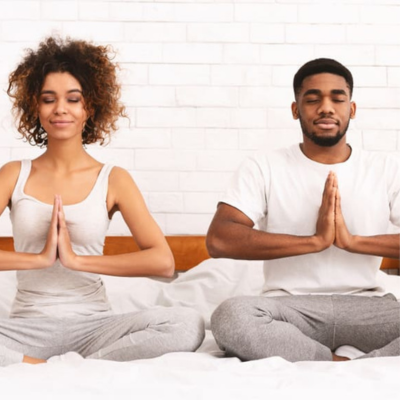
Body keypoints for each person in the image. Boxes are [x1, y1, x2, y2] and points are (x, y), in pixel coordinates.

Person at [0, 37, 204, 367]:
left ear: (89, 107)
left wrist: (76, 261)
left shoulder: (113, 179)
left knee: (186, 324)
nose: (60, 109)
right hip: (25, 328)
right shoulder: (13, 174)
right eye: (48, 99)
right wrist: (38, 259)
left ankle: (61, 365)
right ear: (35, 107)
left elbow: (163, 262)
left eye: (73, 99)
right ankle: (47, 365)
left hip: (94, 328)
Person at [206, 58, 400, 362]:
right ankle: (337, 363)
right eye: (313, 99)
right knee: (230, 316)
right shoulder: (264, 166)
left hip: (369, 307)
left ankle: (354, 364)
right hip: (290, 308)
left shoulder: (386, 168)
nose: (326, 107)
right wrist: (315, 242)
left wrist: (351, 242)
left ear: (352, 109)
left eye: (338, 98)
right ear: (296, 109)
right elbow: (219, 239)